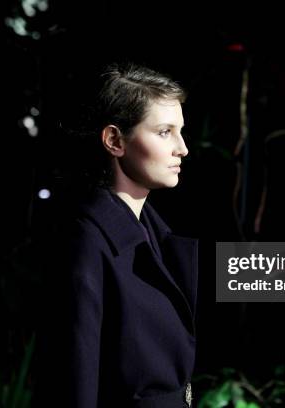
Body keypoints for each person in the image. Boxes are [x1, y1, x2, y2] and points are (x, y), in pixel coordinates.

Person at [35, 63, 197, 408]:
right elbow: (73, 382)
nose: (182, 148)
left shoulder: (155, 233)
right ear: (114, 141)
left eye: (180, 131)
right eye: (165, 132)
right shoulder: (85, 242)